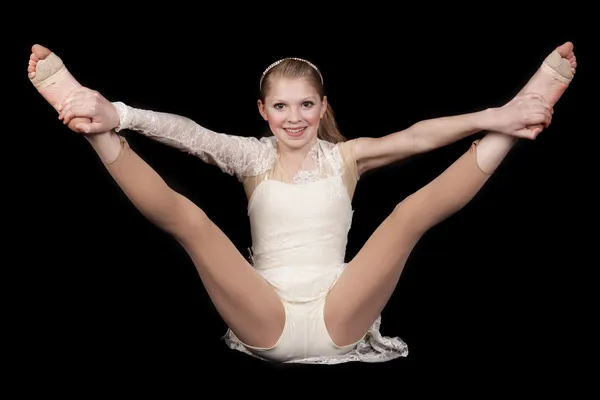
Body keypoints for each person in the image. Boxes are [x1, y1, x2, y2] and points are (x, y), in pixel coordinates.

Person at [27, 42, 576, 365]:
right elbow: (187, 132)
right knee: (190, 221)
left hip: (341, 315)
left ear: (322, 107)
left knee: (410, 216)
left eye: (306, 104)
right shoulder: (249, 156)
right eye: (282, 106)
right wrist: (119, 114)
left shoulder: (346, 158)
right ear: (263, 111)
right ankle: (90, 122)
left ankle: (518, 115)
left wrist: (488, 118)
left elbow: (418, 136)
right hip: (265, 318)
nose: (295, 118)